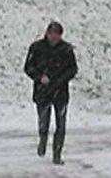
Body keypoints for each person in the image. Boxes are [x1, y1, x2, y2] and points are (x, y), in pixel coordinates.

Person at [23, 21, 77, 165]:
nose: (54, 37)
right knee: (43, 120)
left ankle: (57, 153)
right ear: (47, 33)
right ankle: (43, 139)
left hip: (60, 92)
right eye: (52, 34)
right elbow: (28, 67)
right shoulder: (37, 48)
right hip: (43, 91)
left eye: (57, 35)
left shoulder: (66, 50)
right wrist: (40, 77)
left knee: (61, 124)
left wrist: (60, 80)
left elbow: (73, 69)